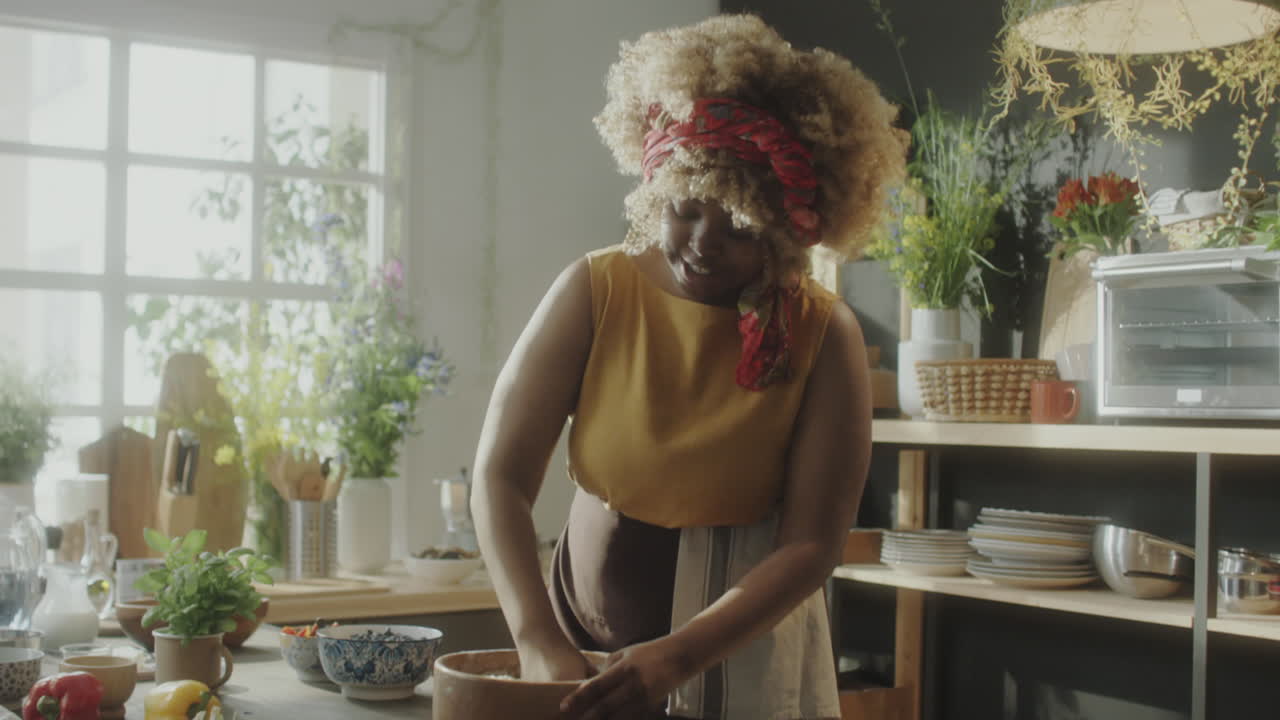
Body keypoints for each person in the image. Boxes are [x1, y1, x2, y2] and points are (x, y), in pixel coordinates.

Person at [471, 13, 907, 720]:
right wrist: (536, 637)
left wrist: (680, 656)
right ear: (655, 188)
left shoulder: (826, 337)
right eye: (684, 210)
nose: (702, 244)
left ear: (787, 234)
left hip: (742, 663)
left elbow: (811, 546)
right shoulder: (595, 290)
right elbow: (501, 477)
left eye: (739, 229)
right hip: (573, 647)